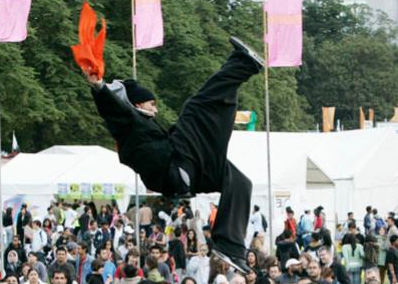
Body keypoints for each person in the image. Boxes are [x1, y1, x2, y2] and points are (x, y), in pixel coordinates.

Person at [85, 37, 265, 271]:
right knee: (195, 109)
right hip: (173, 169)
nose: (156, 109)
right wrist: (98, 87)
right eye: (151, 104)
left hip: (186, 174)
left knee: (239, 181)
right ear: (137, 105)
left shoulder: (144, 125)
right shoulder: (129, 123)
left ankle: (230, 247)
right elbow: (113, 110)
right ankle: (242, 64)